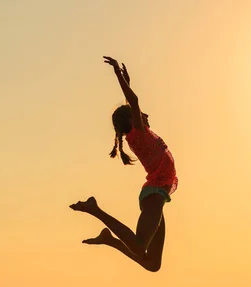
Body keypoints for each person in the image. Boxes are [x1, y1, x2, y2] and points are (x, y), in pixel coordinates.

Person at [70, 56, 178, 272]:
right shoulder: (139, 133)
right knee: (139, 248)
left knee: (153, 264)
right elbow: (135, 102)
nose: (145, 114)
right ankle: (95, 210)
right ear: (132, 120)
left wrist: (127, 83)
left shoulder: (139, 133)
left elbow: (133, 104)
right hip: (154, 194)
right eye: (138, 114)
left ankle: (109, 240)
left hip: (158, 195)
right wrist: (119, 76)